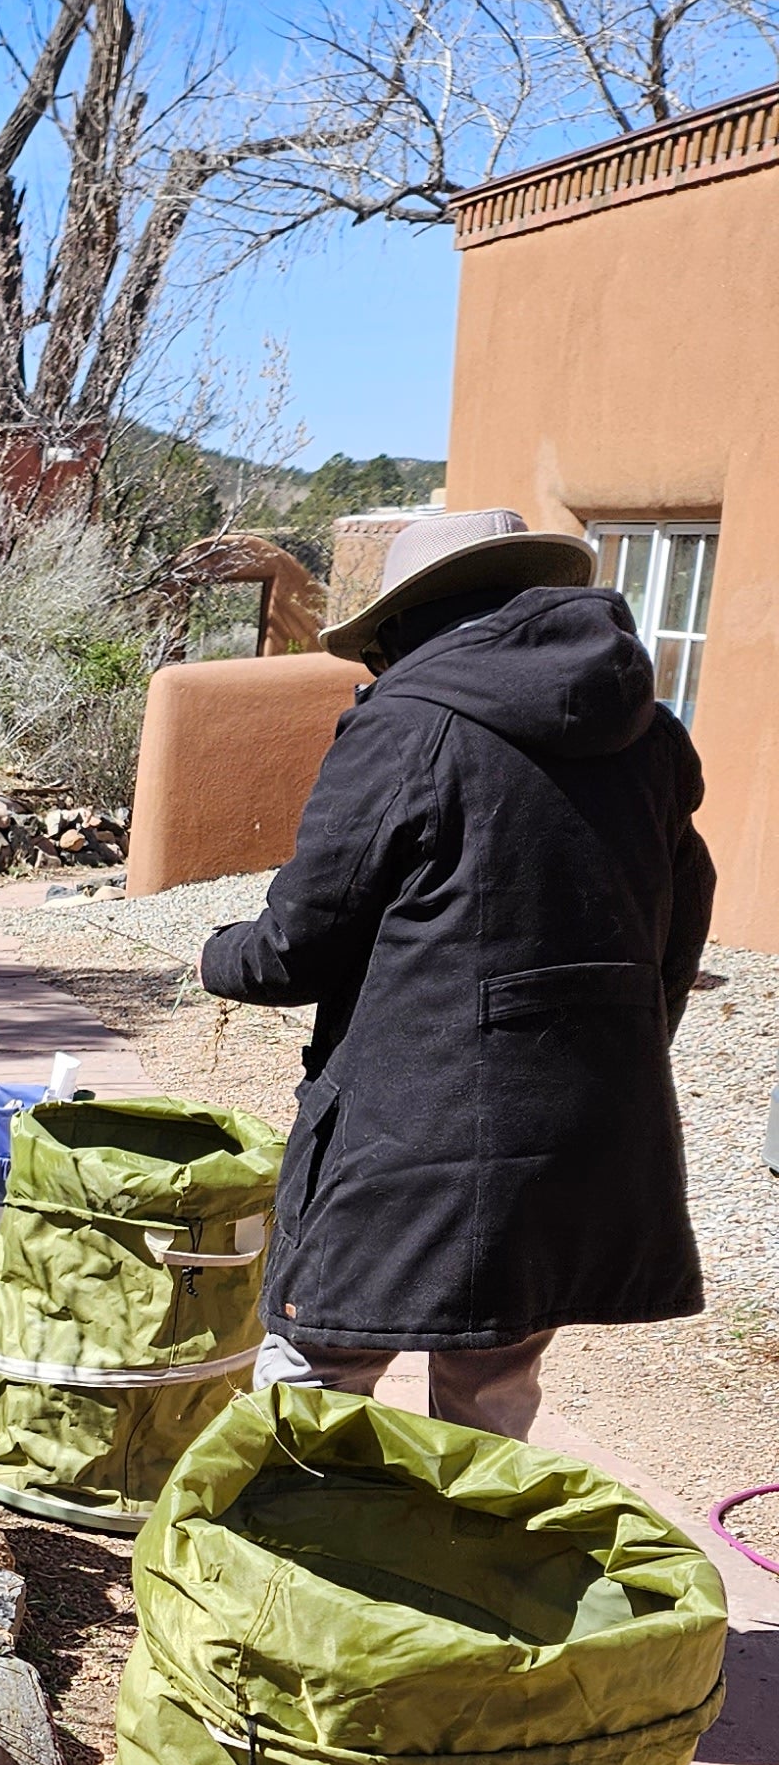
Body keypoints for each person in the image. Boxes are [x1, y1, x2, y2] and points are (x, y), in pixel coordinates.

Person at [202, 505, 713, 1441]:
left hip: (416, 1131)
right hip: (586, 1129)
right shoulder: (652, 736)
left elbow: (297, 944)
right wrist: (616, 1045)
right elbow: (682, 919)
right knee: (494, 1385)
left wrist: (218, 953)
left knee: (318, 1364)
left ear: (405, 627)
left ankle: (280, 1567)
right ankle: (461, 1578)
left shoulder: (407, 727)